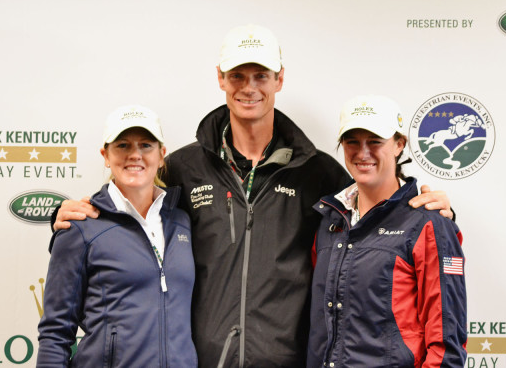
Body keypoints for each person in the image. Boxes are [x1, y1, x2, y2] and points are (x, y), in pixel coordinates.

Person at [52, 25, 453, 368]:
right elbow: (134, 218)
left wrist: (439, 214)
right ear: (220, 78)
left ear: (279, 80)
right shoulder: (184, 167)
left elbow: (378, 217)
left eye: (260, 75)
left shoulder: (320, 172)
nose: (249, 88)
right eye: (238, 76)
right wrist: (68, 217)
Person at [307, 95, 467, 368]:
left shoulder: (429, 223)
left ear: (399, 144)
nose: (362, 152)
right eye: (352, 141)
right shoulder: (329, 220)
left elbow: (447, 345)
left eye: (375, 141)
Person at [37, 105, 197, 367]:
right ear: (106, 155)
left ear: (161, 155)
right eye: (122, 145)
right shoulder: (80, 226)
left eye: (146, 145)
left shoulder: (182, 222)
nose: (135, 155)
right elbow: (55, 333)